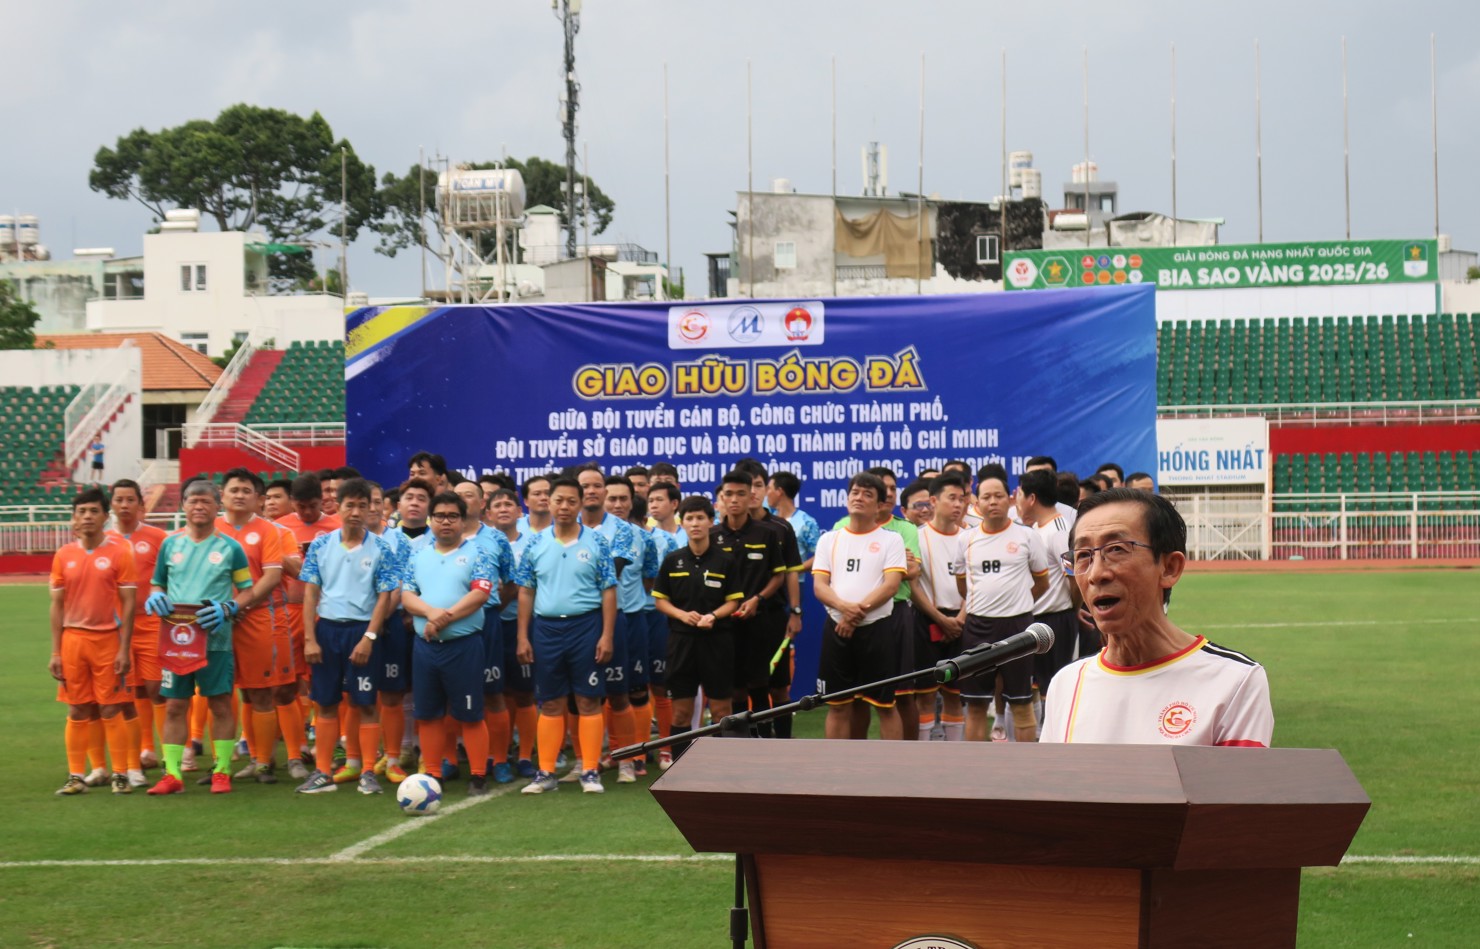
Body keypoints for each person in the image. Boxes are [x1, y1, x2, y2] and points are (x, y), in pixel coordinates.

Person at [1041, 488, 1274, 746]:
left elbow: (1234, 786)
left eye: (1117, 549)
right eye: (1083, 555)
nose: (1096, 574)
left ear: (1169, 568)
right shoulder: (1066, 684)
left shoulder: (1234, 682)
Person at [144, 480, 254, 795]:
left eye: (205, 501)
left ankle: (222, 770)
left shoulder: (231, 548)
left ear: (217, 506)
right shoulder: (170, 544)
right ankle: (173, 774)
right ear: (183, 505)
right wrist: (155, 597)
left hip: (215, 638)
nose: (199, 507)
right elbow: (157, 584)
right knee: (176, 705)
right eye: (193, 501)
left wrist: (229, 608)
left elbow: (247, 591)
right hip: (175, 638)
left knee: (220, 703)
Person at [295, 478, 400, 795]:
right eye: (349, 505)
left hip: (361, 631)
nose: (356, 512)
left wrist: (369, 637)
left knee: (366, 702)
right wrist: (310, 638)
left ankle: (368, 770)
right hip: (327, 630)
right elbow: (311, 593)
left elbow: (385, 596)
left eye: (362, 505)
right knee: (324, 703)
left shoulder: (381, 547)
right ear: (338, 508)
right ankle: (322, 772)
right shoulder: (320, 546)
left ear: (371, 509)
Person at [515, 476, 618, 795]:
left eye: (571, 501)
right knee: (550, 702)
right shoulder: (535, 542)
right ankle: (545, 772)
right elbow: (526, 591)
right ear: (548, 501)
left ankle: (589, 770)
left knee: (588, 700)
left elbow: (609, 591)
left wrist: (607, 636)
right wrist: (522, 635)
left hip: (585, 627)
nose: (564, 506)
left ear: (580, 503)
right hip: (546, 629)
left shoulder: (596, 542)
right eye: (558, 500)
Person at [401, 492, 497, 796]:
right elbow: (406, 595)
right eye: (439, 515)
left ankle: (478, 775)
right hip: (425, 647)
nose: (445, 521)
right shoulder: (418, 554)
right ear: (431, 520)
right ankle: (432, 773)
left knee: (470, 713)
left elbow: (480, 593)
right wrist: (430, 613)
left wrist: (444, 618)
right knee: (427, 713)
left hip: (464, 645)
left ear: (462, 519)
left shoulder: (477, 552)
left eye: (452, 516)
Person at [50, 488, 137, 795]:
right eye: (81, 511)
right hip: (73, 641)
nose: (87, 516)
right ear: (74, 518)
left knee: (111, 709)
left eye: (93, 511)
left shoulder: (119, 553)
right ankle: (76, 776)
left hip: (108, 641)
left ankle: (120, 774)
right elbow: (57, 606)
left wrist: (125, 648)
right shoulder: (64, 555)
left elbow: (128, 604)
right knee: (77, 710)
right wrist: (56, 651)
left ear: (104, 516)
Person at [960, 466, 1052, 743]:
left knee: (1022, 702)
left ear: (1009, 499)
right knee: (975, 705)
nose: (992, 502)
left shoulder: (1028, 536)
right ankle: (973, 772)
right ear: (976, 504)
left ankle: (1023, 771)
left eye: (998, 496)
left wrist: (1018, 603)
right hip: (977, 627)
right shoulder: (966, 539)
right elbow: (961, 585)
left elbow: (1042, 583)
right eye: (986, 497)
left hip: (1018, 626)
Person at [813, 472, 908, 740]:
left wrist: (854, 615)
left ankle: (893, 769)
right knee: (838, 706)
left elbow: (891, 586)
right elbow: (820, 586)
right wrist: (844, 609)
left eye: (868, 494)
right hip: (837, 631)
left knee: (886, 706)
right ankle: (837, 771)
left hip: (876, 631)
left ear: (880, 505)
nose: (859, 498)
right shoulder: (829, 540)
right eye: (855, 492)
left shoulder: (892, 540)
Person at [651, 495, 743, 758]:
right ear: (682, 522)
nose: (695, 523)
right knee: (681, 710)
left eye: (700, 518)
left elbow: (734, 601)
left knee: (721, 710)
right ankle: (680, 768)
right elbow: (660, 601)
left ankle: (722, 765)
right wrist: (682, 615)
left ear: (711, 521)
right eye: (689, 518)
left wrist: (713, 616)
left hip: (718, 642)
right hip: (681, 643)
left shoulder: (725, 560)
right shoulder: (672, 560)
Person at [215, 469, 290, 785]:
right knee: (220, 694)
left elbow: (272, 577)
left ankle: (264, 762)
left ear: (258, 499)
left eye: (247, 490)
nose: (240, 495)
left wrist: (238, 605)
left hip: (255, 619)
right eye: (234, 489)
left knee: (259, 692)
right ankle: (222, 765)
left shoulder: (268, 531)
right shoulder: (212, 528)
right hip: (215, 621)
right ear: (223, 495)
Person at [711, 470, 787, 735]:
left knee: (760, 684)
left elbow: (779, 575)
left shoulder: (767, 533)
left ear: (750, 496)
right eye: (728, 494)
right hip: (724, 625)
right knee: (734, 686)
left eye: (740, 494)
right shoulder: (712, 536)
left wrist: (758, 598)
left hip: (759, 620)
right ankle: (742, 739)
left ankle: (767, 740)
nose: (734, 500)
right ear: (721, 497)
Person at [454, 479, 517, 783]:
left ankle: (501, 759)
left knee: (493, 693)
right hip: (448, 623)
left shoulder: (496, 539)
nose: (464, 502)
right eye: (458, 497)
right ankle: (450, 759)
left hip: (488, 621)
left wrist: (492, 608)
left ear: (482, 503)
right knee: (450, 692)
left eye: (470, 496)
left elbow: (512, 582)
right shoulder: (434, 539)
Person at [110, 479, 169, 778]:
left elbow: (172, 574)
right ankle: (141, 753)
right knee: (129, 691)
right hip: (117, 629)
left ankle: (171, 754)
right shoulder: (105, 540)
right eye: (118, 499)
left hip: (151, 623)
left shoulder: (158, 537)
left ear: (140, 505)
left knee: (157, 689)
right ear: (112, 504)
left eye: (130, 500)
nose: (124, 505)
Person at [604, 476, 659, 782]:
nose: (618, 504)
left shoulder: (644, 538)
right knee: (602, 693)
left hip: (633, 618)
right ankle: (614, 752)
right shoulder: (589, 535)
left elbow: (651, 579)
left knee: (636, 689)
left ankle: (637, 753)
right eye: (612, 498)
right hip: (593, 620)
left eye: (623, 499)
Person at [911, 474, 969, 741]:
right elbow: (913, 586)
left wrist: (959, 618)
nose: (958, 504)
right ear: (934, 501)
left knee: (955, 695)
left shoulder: (970, 538)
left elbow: (977, 583)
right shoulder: (918, 537)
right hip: (926, 621)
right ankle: (921, 758)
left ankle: (955, 757)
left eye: (962, 498)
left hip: (963, 621)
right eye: (952, 498)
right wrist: (939, 618)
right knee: (924, 696)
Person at [1015, 469, 1080, 704]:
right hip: (1036, 618)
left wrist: (1072, 610)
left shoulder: (1059, 532)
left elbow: (1074, 577)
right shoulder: (1037, 529)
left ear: (1031, 498)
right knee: (1034, 685)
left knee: (1053, 687)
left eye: (1019, 495)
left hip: (1055, 621)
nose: (1017, 501)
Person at [487, 487, 539, 777]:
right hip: (490, 626)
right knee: (496, 692)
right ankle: (500, 755)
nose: (504, 508)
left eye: (510, 504)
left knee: (524, 693)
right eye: (498, 505)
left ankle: (525, 757)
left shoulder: (532, 543)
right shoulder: (483, 543)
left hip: (523, 626)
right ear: (488, 513)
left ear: (521, 512)